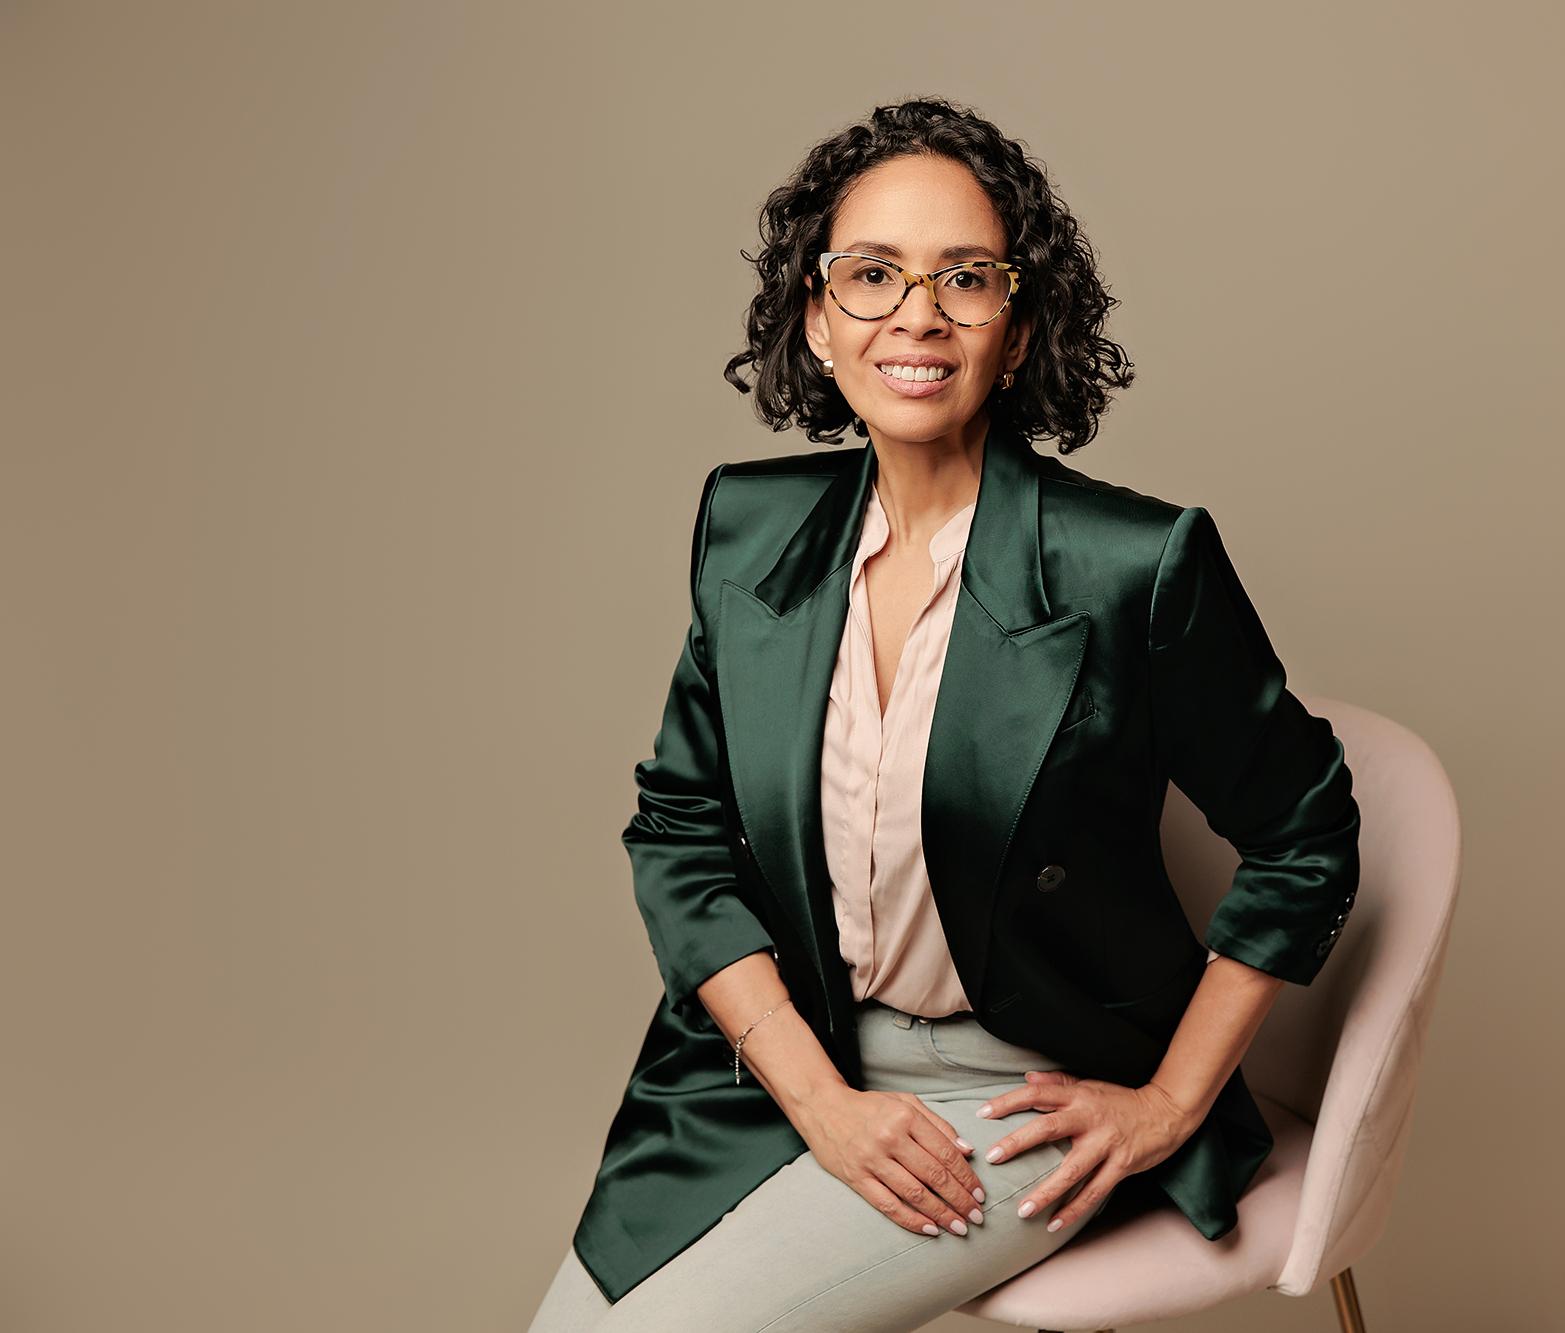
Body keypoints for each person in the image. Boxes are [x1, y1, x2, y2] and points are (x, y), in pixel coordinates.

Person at [528, 96, 1361, 1333]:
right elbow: (681, 828)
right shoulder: (748, 530)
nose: (915, 314)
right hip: (779, 1060)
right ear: (815, 318)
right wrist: (813, 1096)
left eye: (963, 278)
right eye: (870, 275)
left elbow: (1307, 833)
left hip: (1023, 1092)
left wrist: (1171, 1101)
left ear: (1014, 329)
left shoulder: (1133, 565)